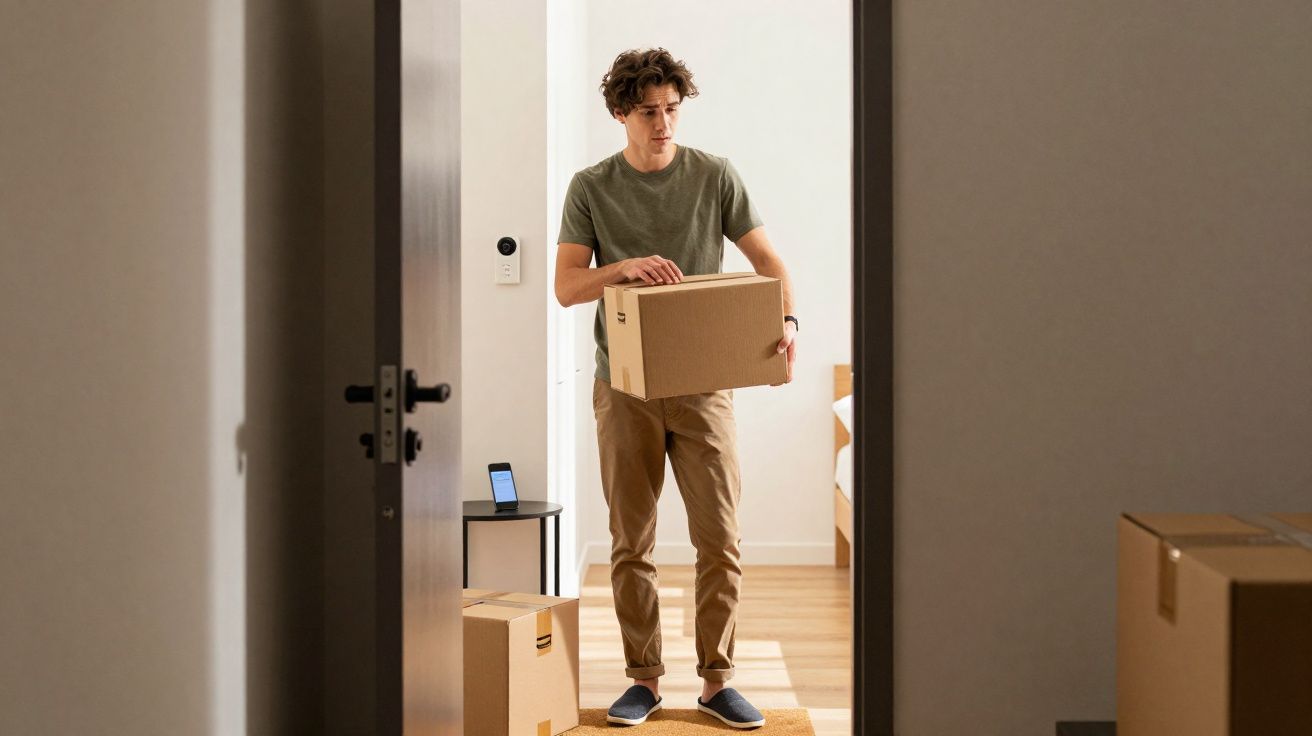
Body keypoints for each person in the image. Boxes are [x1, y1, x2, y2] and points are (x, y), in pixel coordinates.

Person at [553, 47, 798, 730]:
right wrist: (622, 267)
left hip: (704, 389)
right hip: (622, 388)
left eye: (671, 110)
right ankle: (644, 679)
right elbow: (567, 287)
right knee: (631, 541)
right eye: (649, 112)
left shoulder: (714, 175)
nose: (663, 124)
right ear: (620, 114)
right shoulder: (591, 187)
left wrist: (787, 319)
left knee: (720, 537)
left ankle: (718, 682)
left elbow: (768, 261)